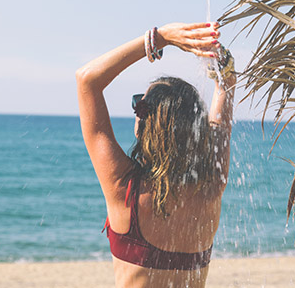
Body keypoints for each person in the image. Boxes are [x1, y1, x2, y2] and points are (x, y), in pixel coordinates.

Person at [76, 22, 236, 288]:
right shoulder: (212, 184)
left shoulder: (123, 187)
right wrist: (222, 65)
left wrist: (161, 38)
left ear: (147, 124)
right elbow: (225, 90)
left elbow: (87, 79)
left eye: (138, 104)